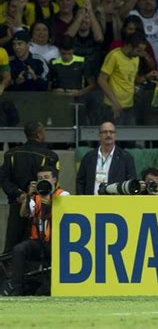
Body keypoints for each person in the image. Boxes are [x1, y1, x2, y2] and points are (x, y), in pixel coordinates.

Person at [0, 121, 59, 254]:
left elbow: (3, 179)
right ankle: (34, 274)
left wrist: (19, 194)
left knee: (11, 246)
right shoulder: (50, 156)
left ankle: (8, 274)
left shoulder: (11, 154)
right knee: (36, 245)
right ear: (38, 135)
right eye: (43, 131)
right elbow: (52, 184)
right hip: (40, 208)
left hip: (17, 206)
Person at [11, 165, 70, 295]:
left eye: (46, 177)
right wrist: (28, 196)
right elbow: (24, 214)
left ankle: (49, 288)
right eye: (40, 178)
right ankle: (17, 290)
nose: (44, 180)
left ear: (54, 179)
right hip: (38, 241)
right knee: (19, 249)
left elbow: (66, 216)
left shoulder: (63, 195)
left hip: (57, 243)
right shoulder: (35, 197)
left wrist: (49, 202)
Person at [98, 32, 157, 124]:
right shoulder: (114, 56)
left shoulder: (135, 58)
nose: (140, 54)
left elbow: (134, 80)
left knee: (129, 136)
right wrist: (114, 101)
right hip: (113, 106)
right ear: (129, 46)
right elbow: (101, 79)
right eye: (138, 50)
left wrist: (147, 77)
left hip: (130, 105)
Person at [76, 121, 137, 195]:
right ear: (99, 135)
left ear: (115, 135)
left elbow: (131, 183)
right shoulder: (88, 157)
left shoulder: (126, 158)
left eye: (111, 132)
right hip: (91, 203)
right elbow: (80, 182)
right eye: (105, 132)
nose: (108, 135)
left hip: (116, 203)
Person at [49, 35, 97, 124]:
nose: (66, 56)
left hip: (78, 102)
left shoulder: (82, 62)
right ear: (59, 51)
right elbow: (48, 86)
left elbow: (92, 85)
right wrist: (54, 91)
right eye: (63, 54)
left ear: (73, 50)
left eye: (69, 53)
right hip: (60, 103)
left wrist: (79, 93)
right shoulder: (54, 63)